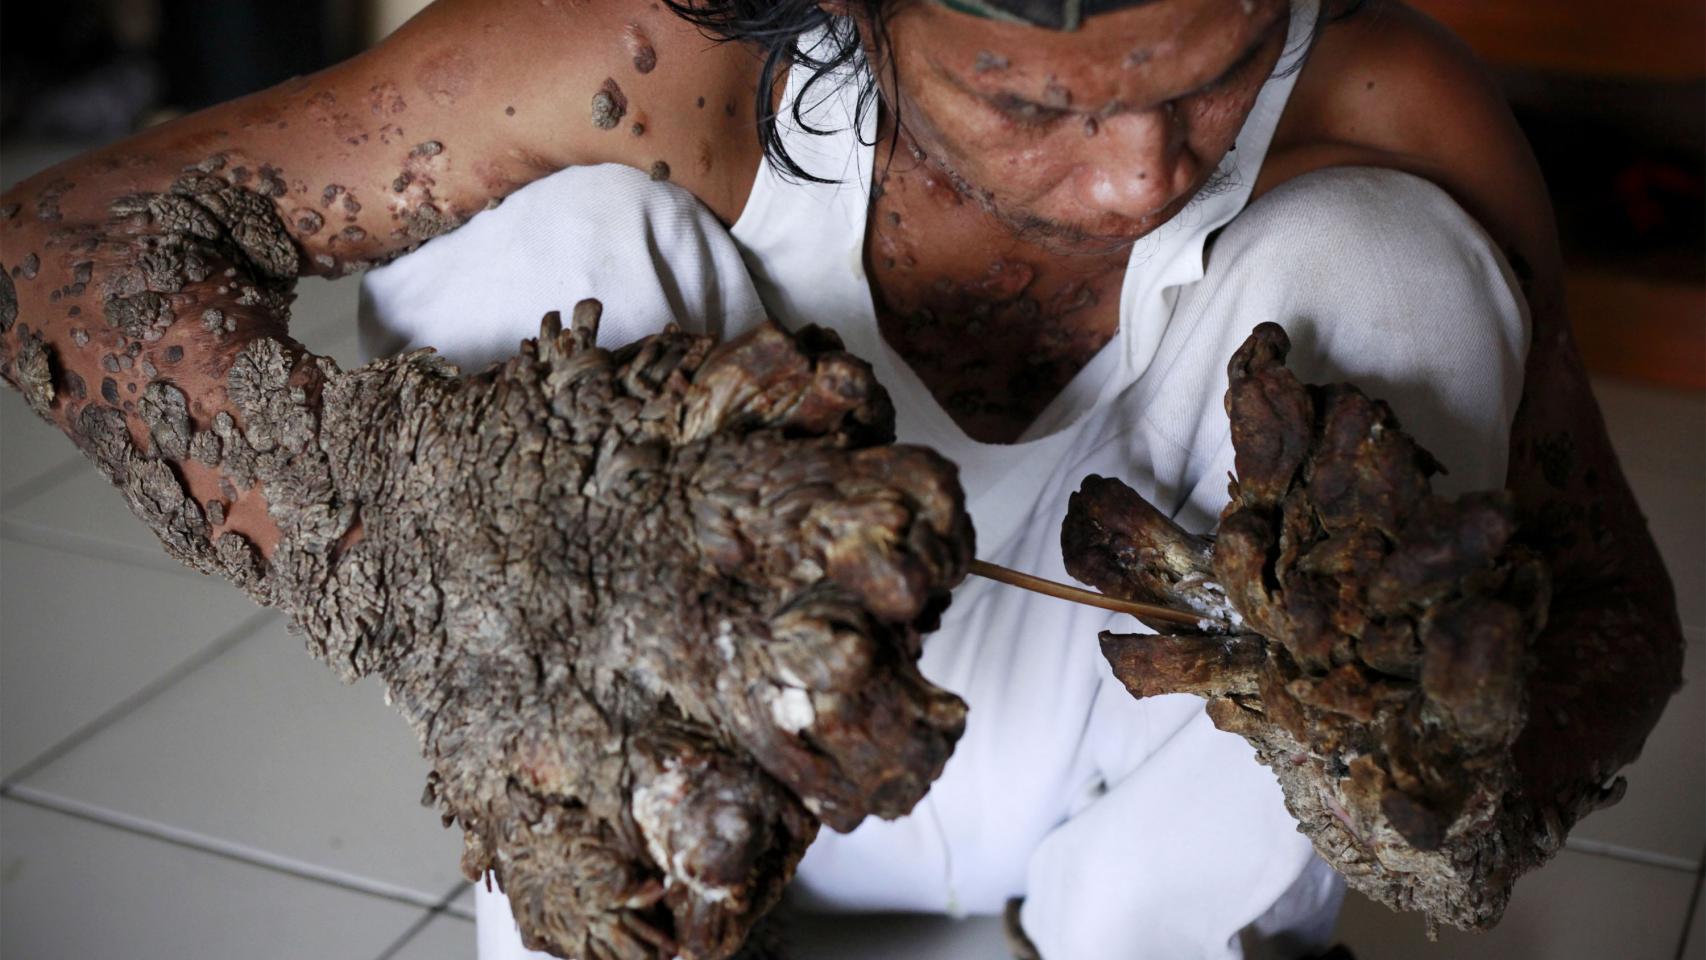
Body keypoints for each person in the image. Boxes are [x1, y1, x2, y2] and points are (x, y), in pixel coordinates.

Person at [0, 1, 1683, 959]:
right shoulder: (643, 53)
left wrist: (1444, 755)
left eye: (1211, 72)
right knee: (548, 225)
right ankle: (640, 919)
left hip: (1136, 794)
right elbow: (57, 244)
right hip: (704, 727)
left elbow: (1613, 610)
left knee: (1385, 258)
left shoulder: (1382, 96)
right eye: (1027, 99)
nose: (1134, 178)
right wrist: (427, 558)